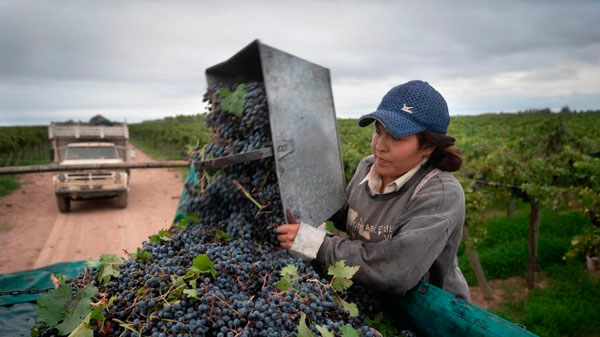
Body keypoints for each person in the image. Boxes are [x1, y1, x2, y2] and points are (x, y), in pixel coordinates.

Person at [276, 80, 471, 302]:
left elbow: (394, 270)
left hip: (430, 314)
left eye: (396, 138)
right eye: (378, 132)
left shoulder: (441, 194)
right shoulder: (367, 167)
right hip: (370, 297)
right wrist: (309, 208)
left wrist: (317, 244)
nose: (380, 146)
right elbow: (348, 215)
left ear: (428, 146)